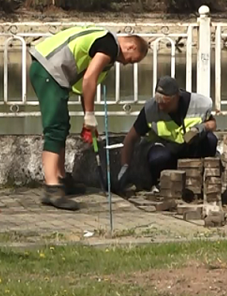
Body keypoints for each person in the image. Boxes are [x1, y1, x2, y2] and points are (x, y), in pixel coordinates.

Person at [30, 26, 148, 210]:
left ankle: (60, 179)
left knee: (61, 125)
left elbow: (84, 87)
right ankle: (51, 187)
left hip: (51, 71)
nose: (126, 64)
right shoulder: (108, 45)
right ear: (131, 47)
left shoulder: (106, 45)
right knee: (54, 128)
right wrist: (90, 115)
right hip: (48, 69)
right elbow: (89, 79)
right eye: (131, 61)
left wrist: (89, 120)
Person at [117, 76, 218, 191]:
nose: (160, 107)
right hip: (167, 149)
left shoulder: (198, 103)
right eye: (158, 102)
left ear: (176, 97)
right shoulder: (150, 110)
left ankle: (206, 178)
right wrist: (124, 167)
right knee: (159, 157)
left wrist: (202, 127)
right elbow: (130, 139)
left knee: (211, 140)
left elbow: (213, 123)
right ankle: (160, 183)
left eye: (165, 103)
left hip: (190, 147)